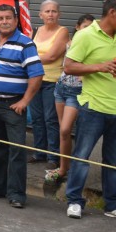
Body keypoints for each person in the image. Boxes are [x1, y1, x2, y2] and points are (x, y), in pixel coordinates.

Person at [63, 0, 116, 222]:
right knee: (82, 156)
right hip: (93, 106)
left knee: (114, 160)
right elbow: (68, 67)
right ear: (112, 13)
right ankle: (74, 201)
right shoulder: (85, 35)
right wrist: (100, 67)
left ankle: (114, 204)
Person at [0, 4, 44, 209]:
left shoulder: (26, 44)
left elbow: (37, 74)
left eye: (8, 18)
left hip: (13, 105)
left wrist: (24, 101)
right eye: (0, 18)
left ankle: (16, 194)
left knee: (17, 150)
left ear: (16, 21)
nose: (4, 21)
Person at [45, 15, 95, 185]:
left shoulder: (93, 45)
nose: (87, 30)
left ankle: (73, 168)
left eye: (90, 27)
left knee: (67, 129)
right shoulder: (69, 43)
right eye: (84, 26)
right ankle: (63, 168)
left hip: (78, 92)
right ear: (77, 26)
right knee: (62, 131)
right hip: (61, 87)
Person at [28, 0, 69, 167]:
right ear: (40, 14)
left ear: (59, 14)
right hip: (35, 80)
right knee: (37, 119)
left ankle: (53, 156)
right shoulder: (35, 31)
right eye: (47, 11)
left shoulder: (62, 31)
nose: (50, 14)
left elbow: (52, 56)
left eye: (54, 11)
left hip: (52, 81)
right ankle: (39, 152)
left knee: (50, 119)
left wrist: (30, 60)